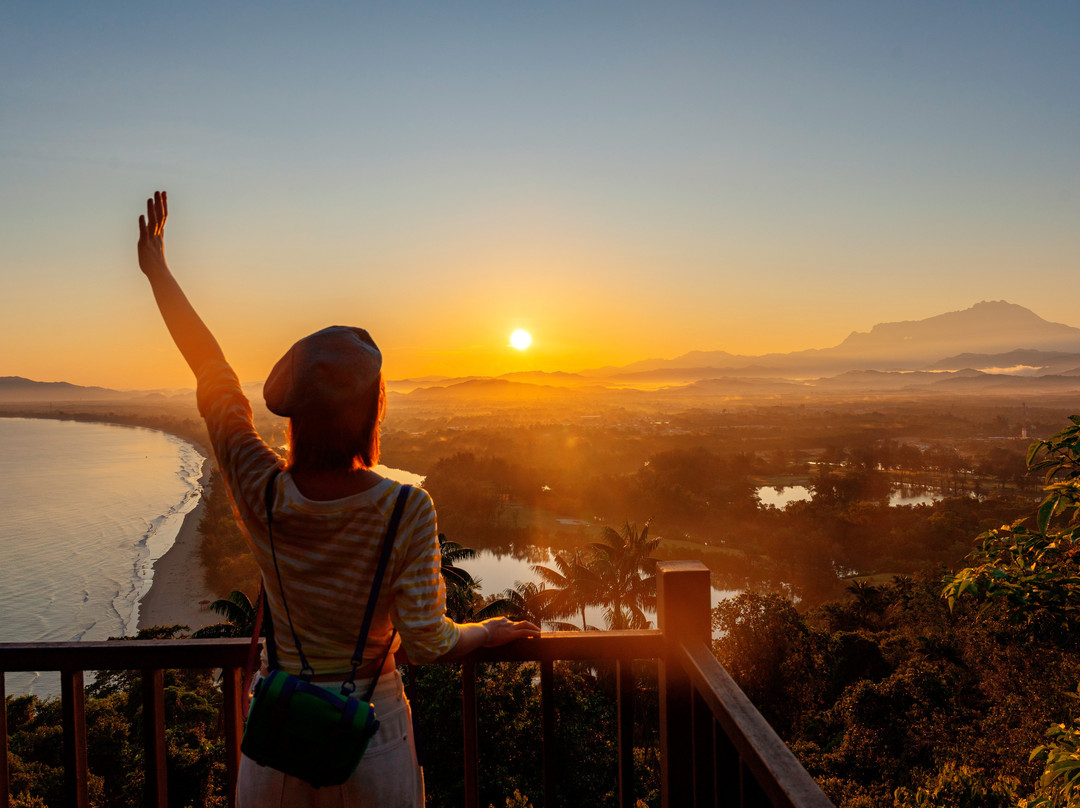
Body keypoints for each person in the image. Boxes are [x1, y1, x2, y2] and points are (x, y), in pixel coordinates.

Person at [137, 191, 540, 807]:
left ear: (296, 412)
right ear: (370, 411)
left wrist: (159, 273)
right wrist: (487, 632)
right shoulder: (405, 509)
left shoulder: (261, 487)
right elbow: (428, 644)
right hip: (369, 737)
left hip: (278, 740)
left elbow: (210, 370)